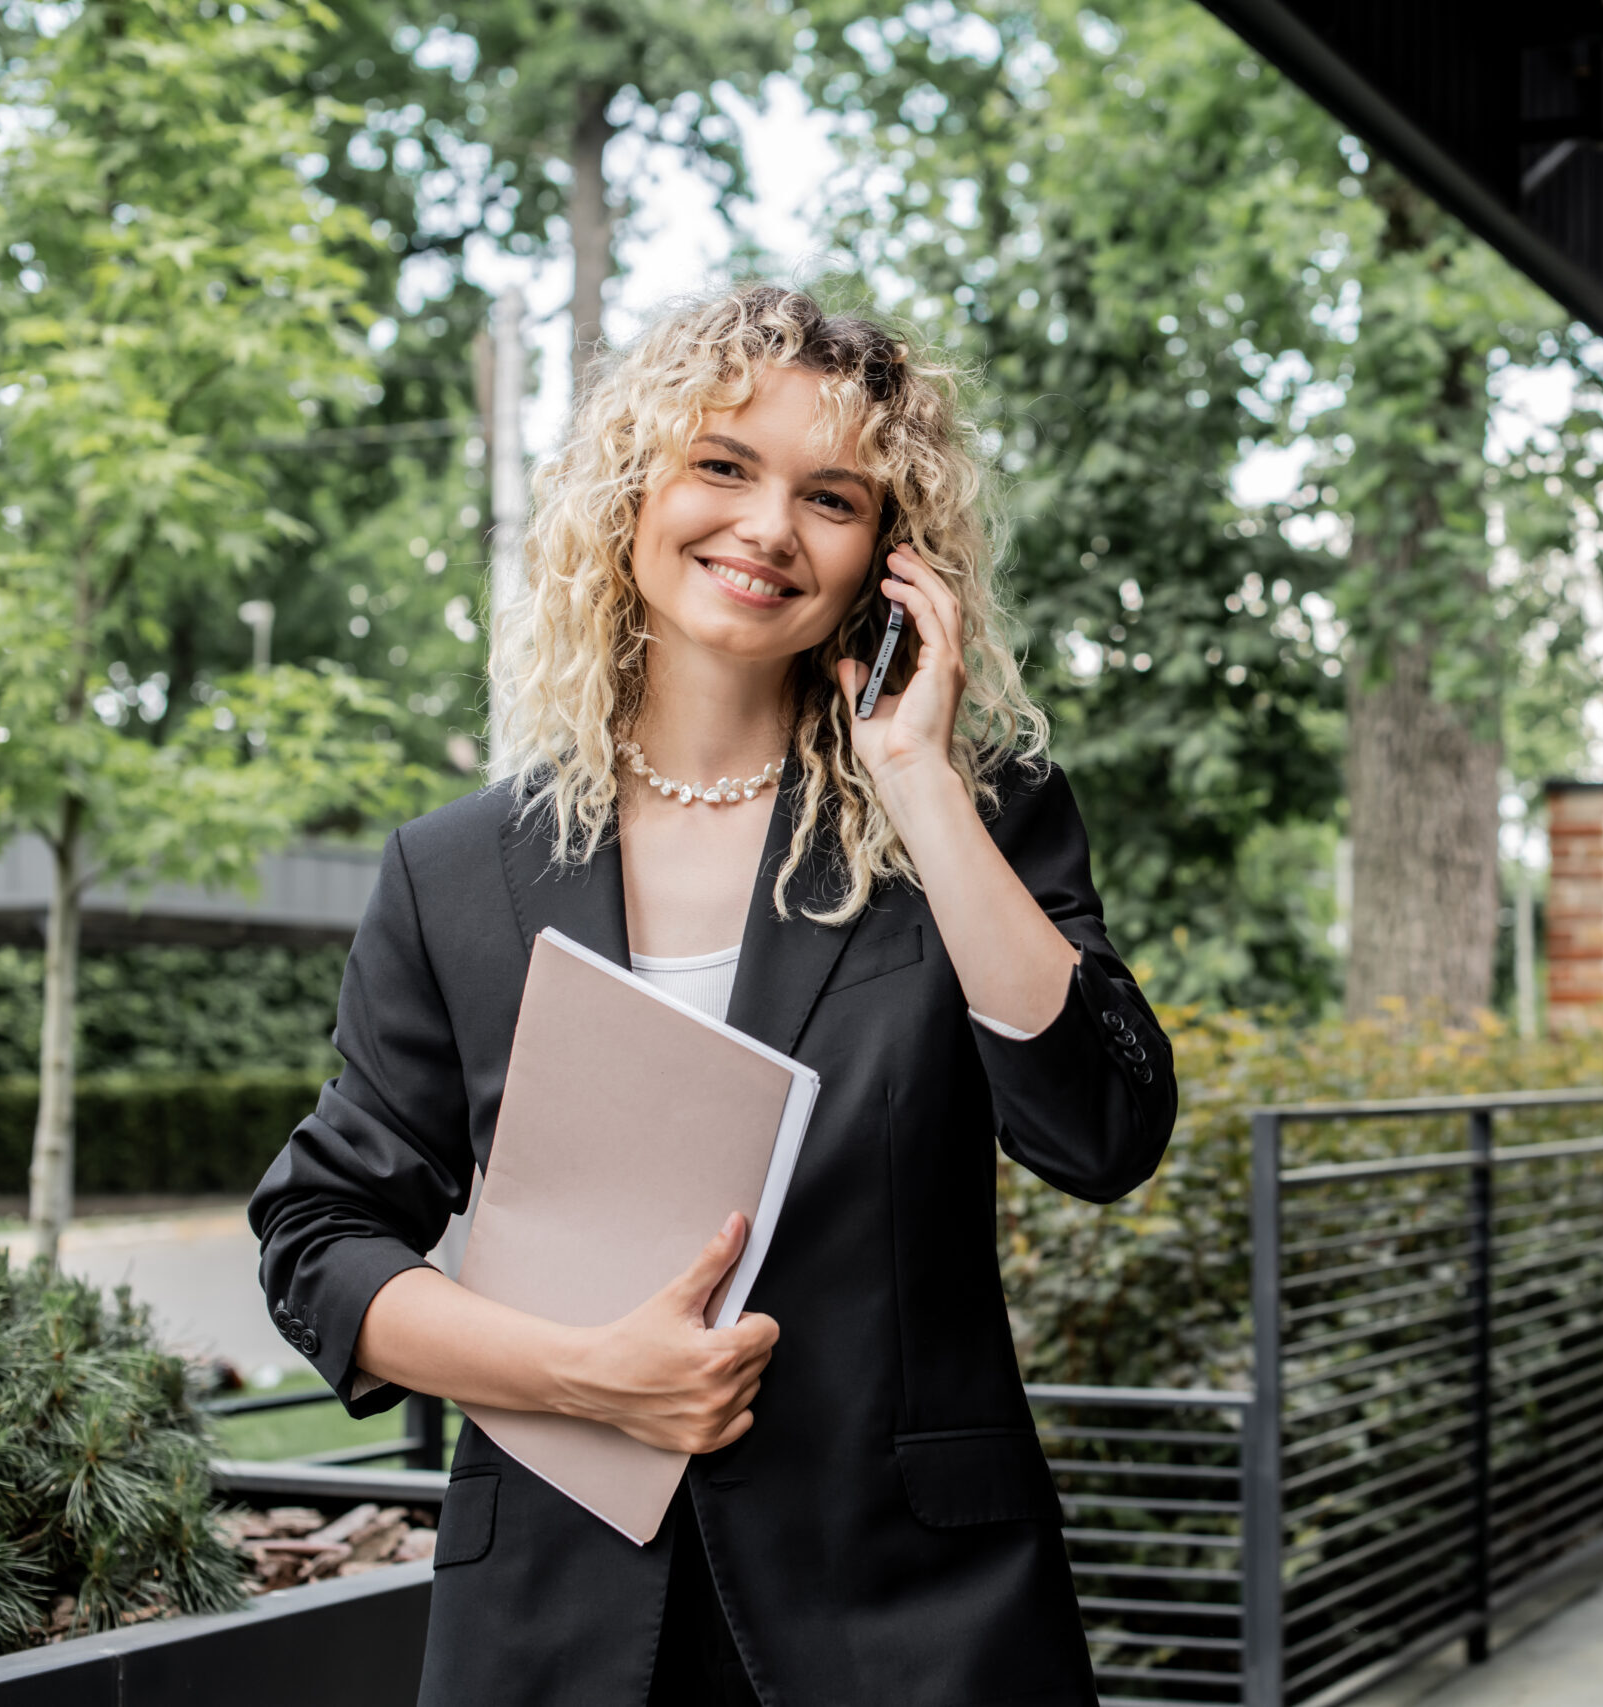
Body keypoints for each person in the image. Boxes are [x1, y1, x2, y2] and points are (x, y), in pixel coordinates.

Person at [248, 285, 1177, 1707]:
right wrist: (580, 1375)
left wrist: (917, 778)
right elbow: (321, 1237)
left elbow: (1100, 1131)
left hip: (912, 1618)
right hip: (560, 1623)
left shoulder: (974, 818)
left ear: (887, 556)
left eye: (833, 497)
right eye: (722, 466)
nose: (766, 530)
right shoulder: (458, 870)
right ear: (632, 492)